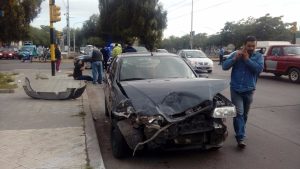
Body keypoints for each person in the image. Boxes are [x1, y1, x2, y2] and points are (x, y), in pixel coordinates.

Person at [222, 36, 264, 148]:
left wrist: (247, 60)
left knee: (244, 114)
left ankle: (240, 130)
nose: (251, 48)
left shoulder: (259, 56)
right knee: (239, 113)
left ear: (256, 46)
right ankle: (240, 137)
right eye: (249, 45)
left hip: (249, 90)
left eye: (253, 46)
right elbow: (224, 66)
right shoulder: (236, 54)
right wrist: (234, 59)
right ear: (245, 45)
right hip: (236, 89)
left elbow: (259, 69)